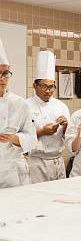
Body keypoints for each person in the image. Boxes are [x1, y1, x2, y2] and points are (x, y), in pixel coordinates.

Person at [26, 51, 70, 183]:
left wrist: (66, 125)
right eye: (44, 86)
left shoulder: (61, 106)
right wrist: (42, 132)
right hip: (36, 163)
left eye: (51, 87)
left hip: (58, 161)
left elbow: (68, 137)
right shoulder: (25, 105)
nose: (48, 91)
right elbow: (19, 138)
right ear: (35, 85)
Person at [0, 38, 37, 188]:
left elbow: (32, 138)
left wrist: (15, 138)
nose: (2, 78)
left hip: (11, 172)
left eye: (5, 73)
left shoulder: (19, 103)